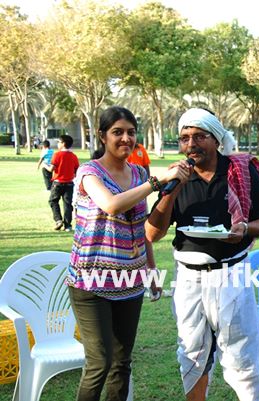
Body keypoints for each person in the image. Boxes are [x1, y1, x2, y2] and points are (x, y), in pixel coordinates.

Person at [146, 108, 259, 401]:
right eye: (185, 138)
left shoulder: (239, 172)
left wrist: (245, 228)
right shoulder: (177, 177)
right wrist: (172, 190)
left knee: (242, 350)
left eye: (199, 136)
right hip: (188, 277)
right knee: (191, 351)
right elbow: (152, 233)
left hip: (232, 273)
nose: (191, 144)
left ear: (216, 139)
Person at [66, 106, 184, 401]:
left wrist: (151, 269)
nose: (126, 138)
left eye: (131, 132)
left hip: (130, 281)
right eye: (117, 132)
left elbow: (141, 227)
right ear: (102, 136)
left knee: (122, 363)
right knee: (100, 363)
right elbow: (111, 205)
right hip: (91, 282)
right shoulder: (89, 172)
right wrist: (156, 182)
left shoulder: (138, 173)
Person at [44, 134, 80, 231]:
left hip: (58, 183)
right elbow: (76, 170)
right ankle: (68, 225)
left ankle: (58, 220)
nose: (58, 144)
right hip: (69, 183)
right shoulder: (73, 156)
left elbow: (51, 169)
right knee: (67, 204)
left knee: (53, 201)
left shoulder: (57, 155)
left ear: (63, 143)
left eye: (58, 142)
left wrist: (44, 165)